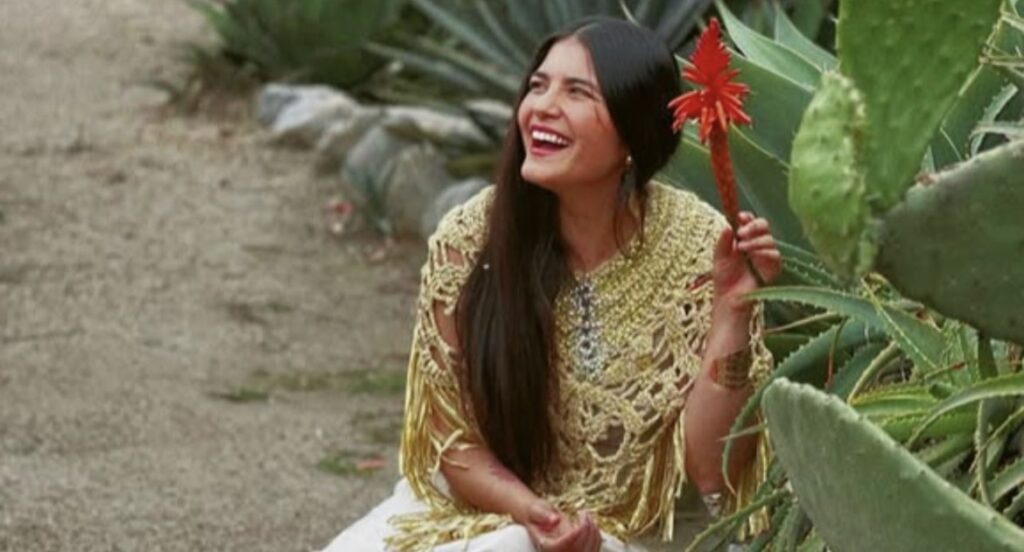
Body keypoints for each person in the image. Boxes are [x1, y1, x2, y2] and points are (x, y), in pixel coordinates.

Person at [322, 16, 781, 552]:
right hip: (492, 509)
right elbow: (454, 441)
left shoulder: (704, 248)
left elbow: (711, 472)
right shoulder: (469, 240)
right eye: (538, 86)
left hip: (647, 533)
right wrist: (534, 515)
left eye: (577, 92)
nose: (541, 106)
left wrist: (733, 312)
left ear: (633, 133)